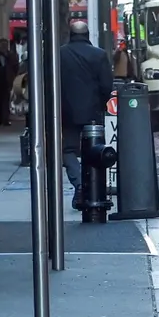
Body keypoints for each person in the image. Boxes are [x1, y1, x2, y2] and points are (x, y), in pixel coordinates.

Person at [60, 19, 115, 211]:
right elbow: (107, 85)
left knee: (67, 150)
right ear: (87, 35)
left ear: (71, 35)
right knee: (93, 150)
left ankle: (79, 185)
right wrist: (100, 104)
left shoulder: (60, 54)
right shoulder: (99, 54)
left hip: (66, 112)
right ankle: (93, 189)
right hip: (92, 111)